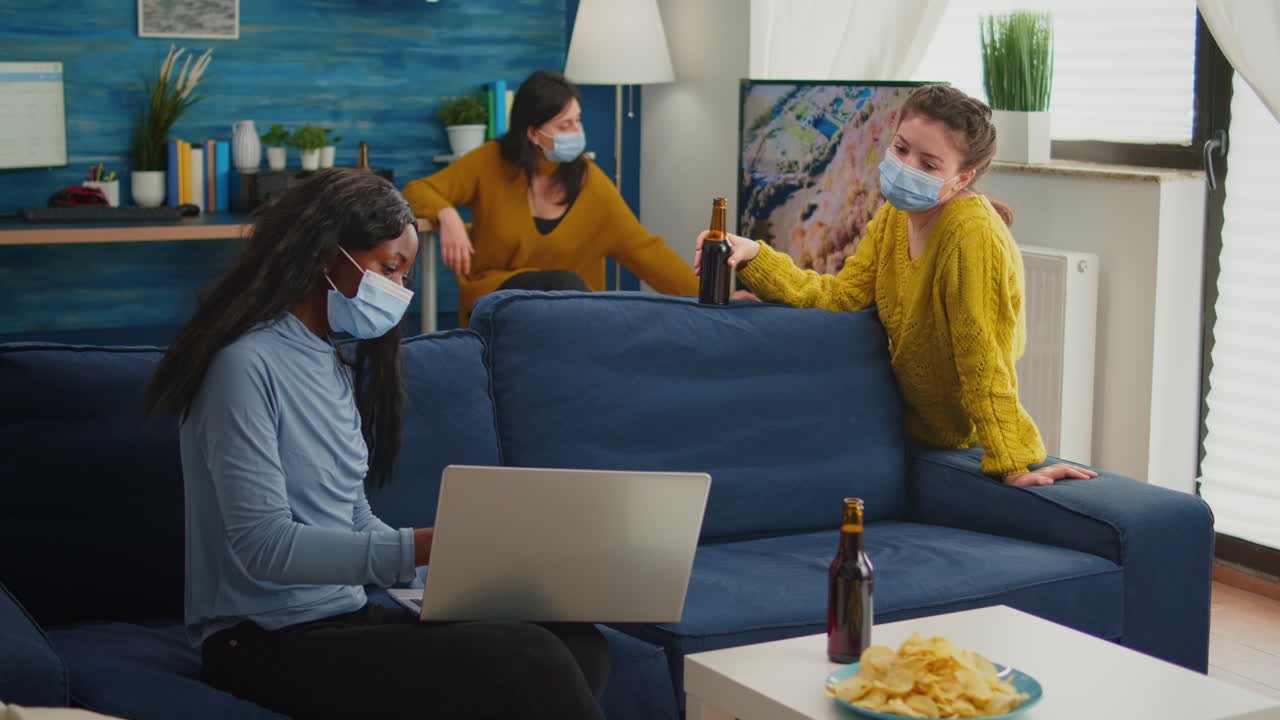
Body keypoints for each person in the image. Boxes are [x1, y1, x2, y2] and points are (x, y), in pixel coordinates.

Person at [145, 168, 608, 719]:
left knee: (578, 640)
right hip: (259, 640)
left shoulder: (331, 362)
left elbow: (352, 514)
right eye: (391, 268)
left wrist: (464, 568)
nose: (401, 291)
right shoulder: (243, 366)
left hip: (343, 613)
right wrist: (424, 545)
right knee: (530, 659)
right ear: (325, 254)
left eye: (406, 274)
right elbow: (263, 547)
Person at [695, 84, 1097, 488]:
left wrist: (1015, 463)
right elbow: (842, 297)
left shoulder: (972, 235)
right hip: (896, 420)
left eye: (929, 164)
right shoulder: (894, 217)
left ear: (962, 178)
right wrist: (753, 255)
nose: (907, 167)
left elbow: (983, 360)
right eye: (901, 149)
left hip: (946, 438)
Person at [403, 70, 698, 326]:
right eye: (564, 125)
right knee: (563, 284)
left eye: (578, 121)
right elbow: (417, 191)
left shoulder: (590, 182)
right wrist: (447, 214)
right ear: (533, 132)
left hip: (569, 318)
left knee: (574, 294)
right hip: (497, 307)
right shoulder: (489, 162)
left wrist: (717, 297)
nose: (576, 132)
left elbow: (645, 251)